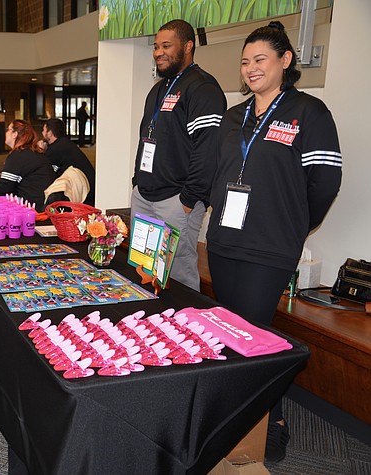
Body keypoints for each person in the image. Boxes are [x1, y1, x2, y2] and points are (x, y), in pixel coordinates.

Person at [206, 21, 342, 465]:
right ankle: (249, 417)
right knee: (234, 333)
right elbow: (220, 174)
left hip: (270, 248)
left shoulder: (310, 112)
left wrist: (297, 223)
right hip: (225, 242)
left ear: (285, 60)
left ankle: (274, 422)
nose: (250, 68)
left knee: (254, 335)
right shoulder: (234, 114)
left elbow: (325, 182)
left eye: (260, 59)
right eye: (245, 62)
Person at [130, 19, 226, 291]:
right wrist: (137, 182)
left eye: (166, 46)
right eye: (156, 46)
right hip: (145, 196)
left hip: (176, 201)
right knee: (144, 271)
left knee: (179, 275)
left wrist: (188, 200)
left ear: (187, 46)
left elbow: (208, 150)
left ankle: (184, 328)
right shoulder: (158, 89)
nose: (158, 52)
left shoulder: (203, 88)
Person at [0, 120, 55, 212]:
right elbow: (14, 183)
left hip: (33, 207)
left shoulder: (17, 155)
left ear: (15, 134)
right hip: (45, 203)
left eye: (8, 129)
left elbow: (4, 189)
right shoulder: (33, 152)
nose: (6, 132)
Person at [40, 118, 96, 205]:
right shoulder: (64, 143)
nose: (42, 133)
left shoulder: (55, 149)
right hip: (90, 188)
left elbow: (47, 174)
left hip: (84, 194)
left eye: (43, 130)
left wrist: (40, 151)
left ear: (50, 133)